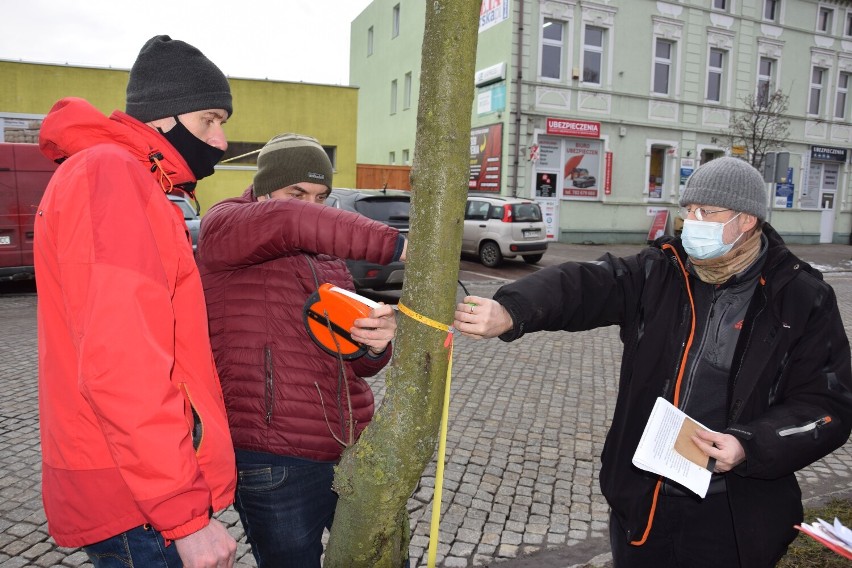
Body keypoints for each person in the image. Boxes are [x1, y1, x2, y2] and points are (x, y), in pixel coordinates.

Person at [453, 157, 852, 567]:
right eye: (687, 211)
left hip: (732, 516)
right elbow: (584, 284)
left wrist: (750, 445)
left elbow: (827, 405)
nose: (691, 222)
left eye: (705, 212)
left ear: (746, 220)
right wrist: (512, 310)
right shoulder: (661, 270)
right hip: (646, 505)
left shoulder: (801, 297)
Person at [35, 35, 238, 567]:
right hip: (140, 504)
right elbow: (123, 364)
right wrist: (185, 516)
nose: (220, 141)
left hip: (133, 488)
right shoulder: (113, 174)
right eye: (209, 120)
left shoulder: (127, 177)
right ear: (163, 119)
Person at [195, 133, 407, 567]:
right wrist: (401, 246)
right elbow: (287, 221)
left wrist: (375, 345)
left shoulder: (328, 258)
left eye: (321, 196)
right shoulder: (225, 227)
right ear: (262, 189)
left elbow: (356, 361)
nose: (310, 205)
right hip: (275, 457)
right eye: (297, 192)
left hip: (351, 445)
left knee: (384, 559)